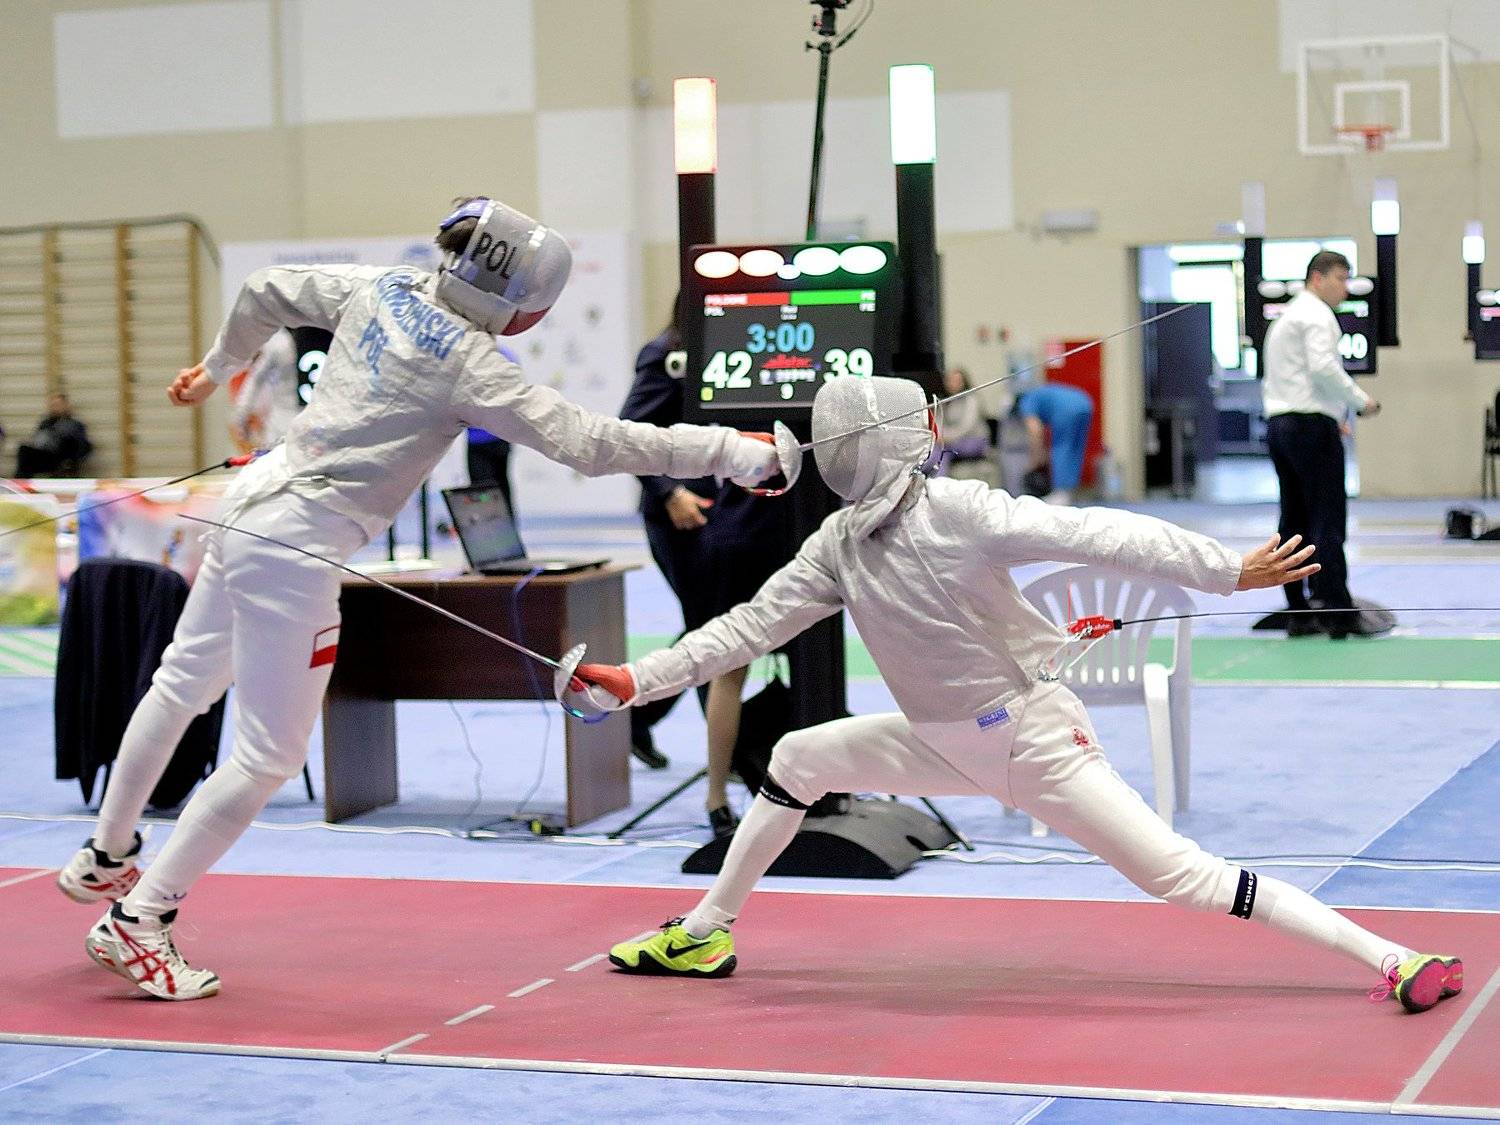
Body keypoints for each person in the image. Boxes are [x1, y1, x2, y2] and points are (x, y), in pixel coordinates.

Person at [54, 196, 783, 1000]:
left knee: (180, 684)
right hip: (293, 546)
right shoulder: (472, 365)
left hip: (247, 507)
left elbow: (264, 289)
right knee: (266, 755)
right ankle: (140, 917)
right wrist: (734, 452)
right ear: (523, 306)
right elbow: (594, 442)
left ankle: (106, 854)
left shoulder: (385, 287)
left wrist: (216, 364)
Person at [573, 375, 1462, 1014]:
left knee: (1180, 874)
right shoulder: (839, 544)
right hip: (942, 739)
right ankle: (707, 930)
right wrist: (637, 679)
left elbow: (1096, 532)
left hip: (1031, 742)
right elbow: (744, 628)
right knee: (799, 756)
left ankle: (1390, 955)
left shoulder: (955, 510)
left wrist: (1223, 570)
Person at [619, 310, 788, 834]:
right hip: (680, 518)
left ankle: (641, 720)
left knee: (715, 628)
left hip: (726, 513)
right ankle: (722, 756)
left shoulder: (743, 351)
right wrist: (669, 492)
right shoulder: (665, 355)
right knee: (713, 631)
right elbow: (633, 432)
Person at [1262, 250, 1382, 638]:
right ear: (1318, 278)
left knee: (1293, 521)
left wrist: (1332, 414)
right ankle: (1339, 613)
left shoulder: (1286, 319)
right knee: (1327, 521)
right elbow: (1323, 368)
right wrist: (1359, 401)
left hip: (1281, 425)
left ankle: (1300, 610)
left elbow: (1292, 380)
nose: (1346, 289)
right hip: (1309, 427)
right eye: (1341, 279)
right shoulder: (1317, 315)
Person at [1016, 381, 1094, 505]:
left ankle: (1060, 494)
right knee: (1075, 450)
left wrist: (1035, 459)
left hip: (1066, 409)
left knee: (1061, 447)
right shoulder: (1040, 393)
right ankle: (1070, 492)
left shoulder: (1026, 401)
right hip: (1085, 403)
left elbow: (1035, 430)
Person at [227, 328, 301, 454]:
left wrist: (240, 418)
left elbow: (255, 380)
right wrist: (240, 417)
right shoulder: (279, 342)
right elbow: (256, 380)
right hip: (288, 419)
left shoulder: (278, 342)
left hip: (284, 421)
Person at [15, 393, 93, 477]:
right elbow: (37, 441)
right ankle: (21, 480)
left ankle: (65, 469)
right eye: (54, 405)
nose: (56, 408)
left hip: (65, 456)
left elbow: (83, 445)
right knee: (24, 450)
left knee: (69, 441)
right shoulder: (45, 423)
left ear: (66, 406)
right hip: (47, 455)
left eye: (59, 405)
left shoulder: (75, 424)